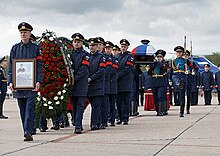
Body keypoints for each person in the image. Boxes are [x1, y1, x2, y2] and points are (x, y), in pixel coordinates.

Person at [8, 22, 42, 141]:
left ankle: (28, 131)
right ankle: (26, 130)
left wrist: (38, 81)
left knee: (30, 108)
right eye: (21, 32)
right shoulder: (15, 48)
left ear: (30, 33)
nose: (23, 34)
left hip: (31, 85)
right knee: (22, 109)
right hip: (18, 85)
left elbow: (39, 66)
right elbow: (11, 67)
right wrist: (10, 82)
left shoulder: (36, 48)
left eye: (25, 32)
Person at [70, 33, 90, 134]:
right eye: (75, 42)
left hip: (81, 83)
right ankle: (75, 120)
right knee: (73, 105)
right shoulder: (69, 54)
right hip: (72, 84)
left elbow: (83, 69)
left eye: (78, 42)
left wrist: (74, 78)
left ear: (82, 43)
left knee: (80, 104)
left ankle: (78, 125)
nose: (76, 43)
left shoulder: (85, 55)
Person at [87, 38, 105, 131]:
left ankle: (94, 123)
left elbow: (101, 71)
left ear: (97, 46)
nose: (91, 47)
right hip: (88, 86)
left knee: (96, 106)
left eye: (93, 45)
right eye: (90, 45)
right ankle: (97, 122)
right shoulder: (87, 57)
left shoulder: (101, 57)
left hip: (97, 84)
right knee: (93, 105)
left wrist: (91, 78)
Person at [117, 39, 134, 125]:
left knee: (126, 102)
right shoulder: (117, 57)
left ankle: (125, 118)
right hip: (118, 82)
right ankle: (119, 117)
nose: (123, 48)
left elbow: (127, 69)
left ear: (127, 47)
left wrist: (117, 75)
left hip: (126, 82)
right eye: (122, 46)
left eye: (124, 47)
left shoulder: (130, 57)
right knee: (119, 102)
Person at [148, 50, 168, 116]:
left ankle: (161, 110)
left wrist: (156, 63)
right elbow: (149, 72)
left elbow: (163, 67)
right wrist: (152, 65)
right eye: (158, 57)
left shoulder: (165, 63)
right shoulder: (153, 64)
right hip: (154, 81)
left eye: (160, 57)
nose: (159, 58)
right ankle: (157, 110)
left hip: (161, 81)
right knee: (155, 97)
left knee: (161, 96)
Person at [97, 37, 109, 129]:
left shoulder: (106, 57)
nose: (98, 46)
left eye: (100, 44)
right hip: (95, 83)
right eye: (97, 44)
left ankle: (103, 121)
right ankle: (97, 121)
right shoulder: (91, 56)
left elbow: (107, 70)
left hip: (104, 82)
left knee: (104, 104)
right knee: (97, 104)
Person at [171, 46, 187, 117]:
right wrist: (169, 80)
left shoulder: (185, 60)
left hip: (183, 76)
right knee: (175, 79)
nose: (178, 54)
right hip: (176, 75)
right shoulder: (173, 61)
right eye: (177, 52)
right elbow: (171, 71)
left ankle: (181, 111)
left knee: (182, 96)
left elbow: (191, 67)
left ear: (182, 53)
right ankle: (177, 83)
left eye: (180, 52)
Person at [105, 41, 118, 126]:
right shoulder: (103, 58)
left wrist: (104, 72)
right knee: (105, 103)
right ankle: (107, 118)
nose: (108, 50)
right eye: (106, 48)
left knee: (112, 103)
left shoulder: (115, 59)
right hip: (105, 84)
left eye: (109, 48)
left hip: (112, 83)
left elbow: (113, 70)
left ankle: (112, 119)